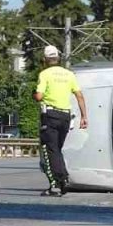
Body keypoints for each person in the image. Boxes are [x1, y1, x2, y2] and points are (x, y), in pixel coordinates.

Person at [34, 45, 88, 196]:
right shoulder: (69, 74)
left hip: (50, 115)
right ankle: (62, 180)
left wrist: (35, 94)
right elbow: (79, 96)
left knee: (49, 150)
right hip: (65, 117)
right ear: (58, 58)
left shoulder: (44, 74)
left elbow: (39, 96)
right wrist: (84, 117)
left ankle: (56, 184)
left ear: (45, 60)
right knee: (57, 149)